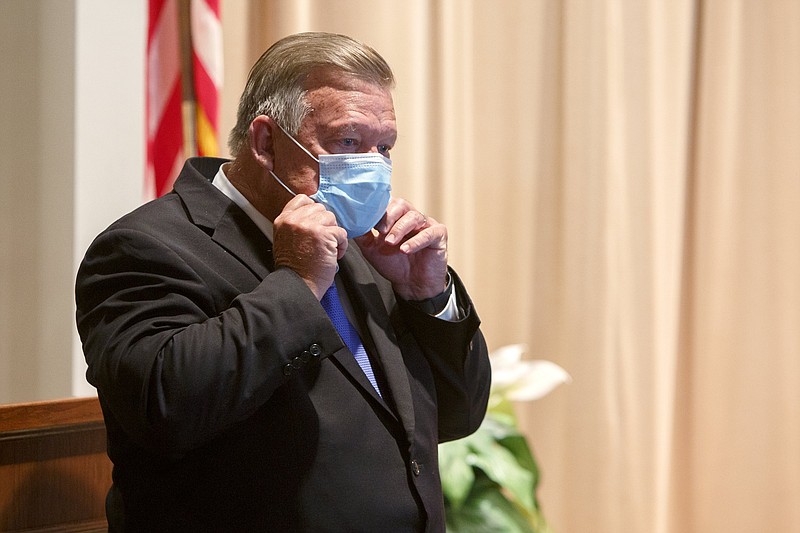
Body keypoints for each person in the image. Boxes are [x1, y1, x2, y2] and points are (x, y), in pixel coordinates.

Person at [76, 32, 490, 532]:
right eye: (348, 142)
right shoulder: (146, 246)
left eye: (384, 147)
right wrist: (297, 283)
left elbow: (457, 415)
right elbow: (165, 410)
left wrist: (427, 295)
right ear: (267, 142)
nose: (372, 165)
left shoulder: (363, 247)